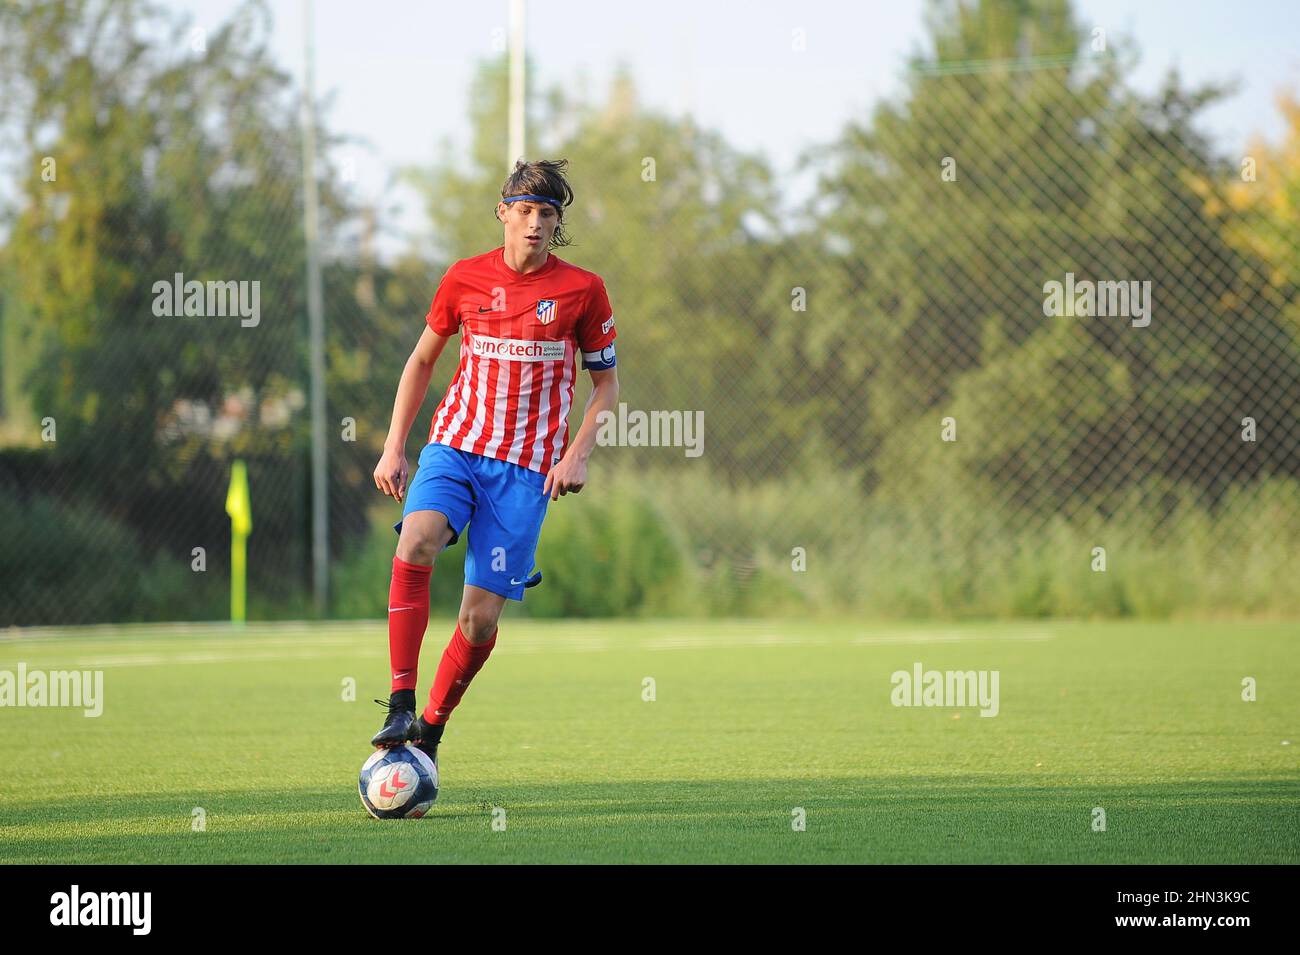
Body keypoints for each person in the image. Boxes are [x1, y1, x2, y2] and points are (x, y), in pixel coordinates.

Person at [369, 158, 620, 771]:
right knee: (419, 539)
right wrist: (395, 444)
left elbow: (607, 388)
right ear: (504, 212)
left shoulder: (582, 290)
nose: (536, 223)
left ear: (557, 224)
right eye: (526, 210)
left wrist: (577, 453)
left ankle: (429, 728)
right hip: (455, 445)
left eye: (548, 214)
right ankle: (400, 699)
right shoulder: (463, 279)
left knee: (478, 623)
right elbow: (423, 360)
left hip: (526, 473)